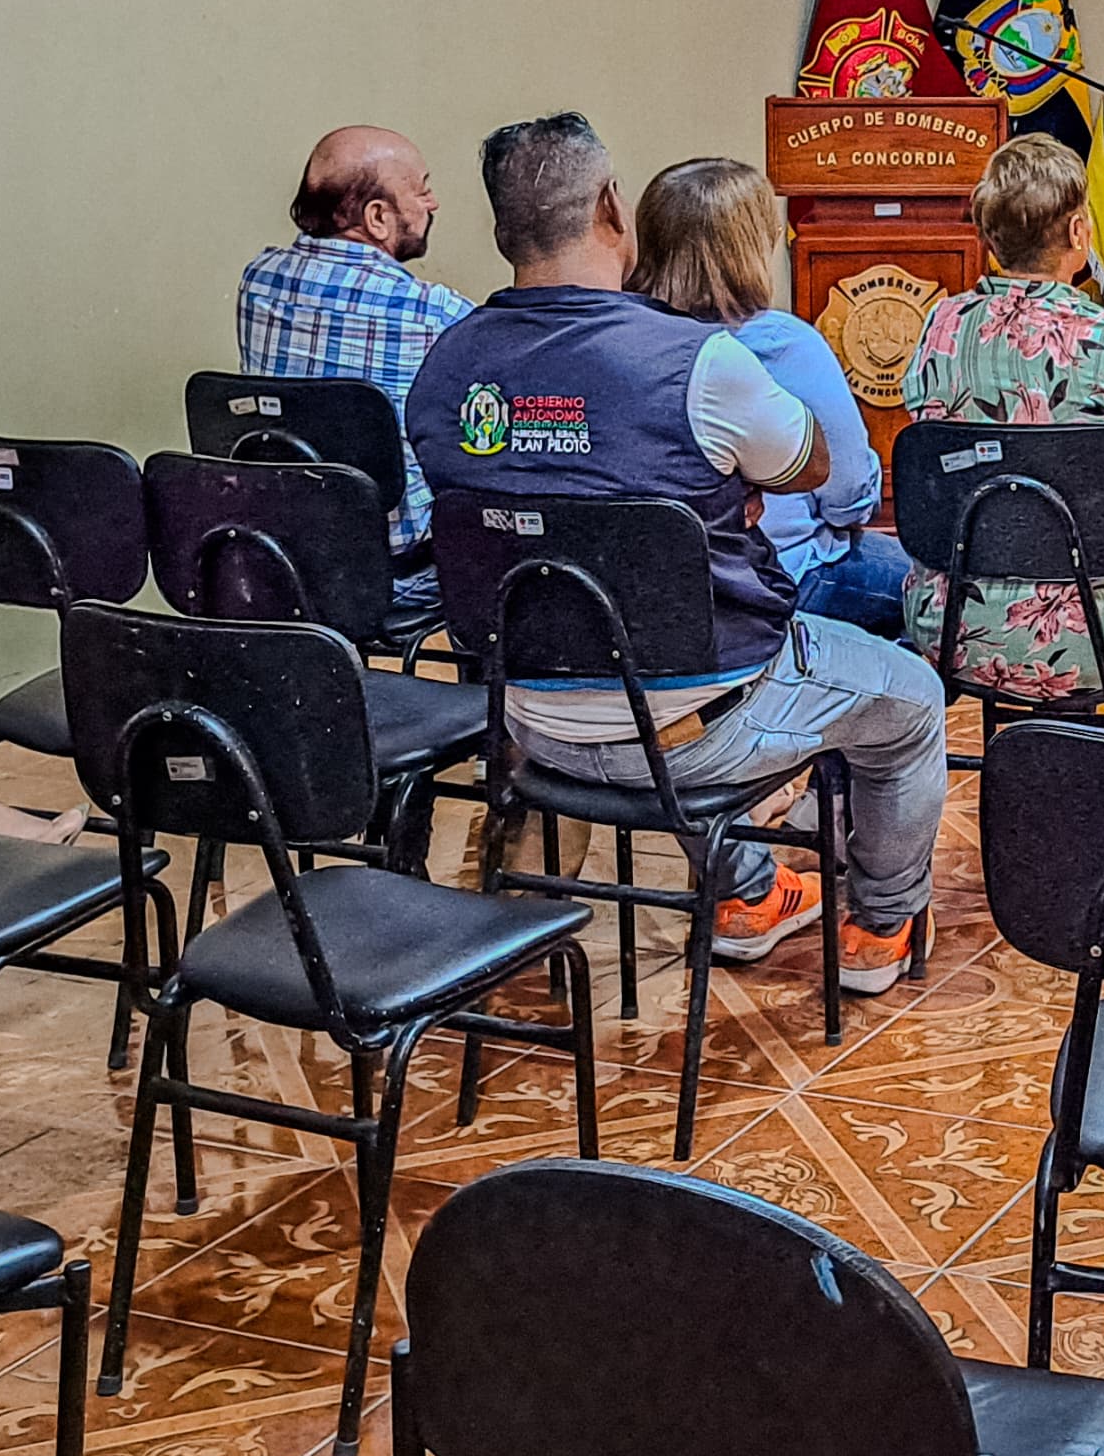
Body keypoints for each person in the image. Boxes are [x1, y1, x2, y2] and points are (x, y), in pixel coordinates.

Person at [404, 115, 943, 989]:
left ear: (502, 230)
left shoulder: (445, 365)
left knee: (656, 642)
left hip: (528, 724)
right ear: (613, 209)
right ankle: (880, 929)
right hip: (697, 726)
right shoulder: (697, 362)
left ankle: (750, 891)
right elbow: (813, 465)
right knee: (912, 701)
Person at [894, 135, 1104, 704]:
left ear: (990, 238)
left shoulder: (941, 326)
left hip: (954, 626)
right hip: (1102, 635)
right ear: (1077, 232)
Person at [632, 155, 910, 634]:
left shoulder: (625, 340)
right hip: (784, 577)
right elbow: (847, 494)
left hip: (658, 592)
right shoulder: (785, 343)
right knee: (932, 587)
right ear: (752, 249)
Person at [239, 126, 474, 615]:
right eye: (422, 189)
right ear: (377, 217)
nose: (432, 203)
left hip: (281, 562)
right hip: (396, 578)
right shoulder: (436, 315)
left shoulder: (257, 283)